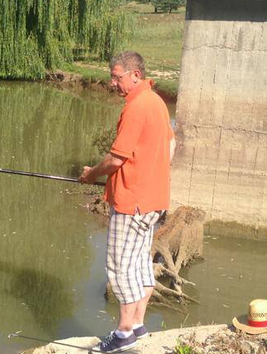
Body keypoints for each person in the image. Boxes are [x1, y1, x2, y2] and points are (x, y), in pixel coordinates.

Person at [79, 51, 175, 353]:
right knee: (140, 264)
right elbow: (171, 143)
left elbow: (117, 158)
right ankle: (138, 326)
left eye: (117, 76)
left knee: (120, 267)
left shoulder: (136, 107)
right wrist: (152, 172)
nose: (112, 82)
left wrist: (91, 174)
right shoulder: (157, 102)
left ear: (135, 75)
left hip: (131, 202)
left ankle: (123, 334)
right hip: (154, 199)